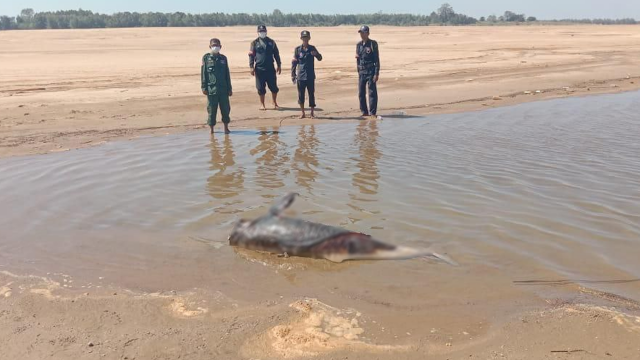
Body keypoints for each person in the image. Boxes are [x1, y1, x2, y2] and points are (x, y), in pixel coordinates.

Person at [201, 38, 232, 134]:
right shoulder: (206, 58)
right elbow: (203, 74)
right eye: (214, 45)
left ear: (221, 46)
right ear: (210, 46)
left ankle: (226, 128)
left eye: (217, 45)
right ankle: (212, 130)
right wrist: (203, 87)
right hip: (211, 89)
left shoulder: (223, 58)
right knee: (211, 110)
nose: (216, 47)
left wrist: (229, 88)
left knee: (225, 109)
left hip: (223, 89)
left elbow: (227, 74)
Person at [249, 25, 282, 110]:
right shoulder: (254, 43)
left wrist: (279, 65)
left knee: (274, 87)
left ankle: (274, 102)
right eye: (260, 31)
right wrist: (251, 66)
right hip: (259, 69)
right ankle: (262, 104)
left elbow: (276, 54)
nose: (262, 33)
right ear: (258, 32)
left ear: (266, 31)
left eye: (263, 31)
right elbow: (251, 55)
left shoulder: (271, 42)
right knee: (260, 88)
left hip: (270, 68)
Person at [291, 30, 323, 119]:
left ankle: (312, 113)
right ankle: (302, 113)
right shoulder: (297, 49)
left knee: (311, 94)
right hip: (300, 76)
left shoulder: (312, 48)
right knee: (301, 95)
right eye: (303, 38)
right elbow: (294, 63)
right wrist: (293, 74)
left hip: (310, 76)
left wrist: (316, 54)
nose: (305, 39)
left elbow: (320, 58)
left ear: (309, 38)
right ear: (301, 38)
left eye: (307, 37)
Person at [355, 25, 380, 118]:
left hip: (371, 71)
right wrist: (358, 70)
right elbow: (357, 58)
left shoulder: (373, 44)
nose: (361, 34)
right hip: (362, 72)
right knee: (361, 93)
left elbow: (376, 59)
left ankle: (372, 112)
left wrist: (376, 73)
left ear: (368, 33)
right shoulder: (359, 45)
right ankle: (364, 111)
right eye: (360, 33)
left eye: (363, 32)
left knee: (372, 93)